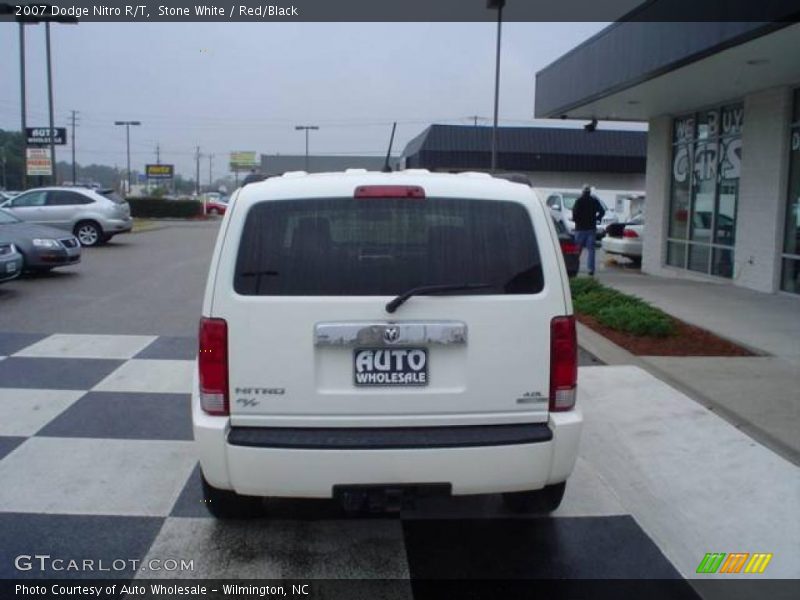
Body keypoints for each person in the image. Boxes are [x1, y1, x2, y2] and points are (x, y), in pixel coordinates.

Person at [571, 184, 606, 276]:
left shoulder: (579, 201)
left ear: (582, 191)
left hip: (580, 229)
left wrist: (576, 221)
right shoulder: (594, 201)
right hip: (591, 228)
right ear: (589, 192)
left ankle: (574, 267)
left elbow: (574, 213)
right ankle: (591, 269)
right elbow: (602, 211)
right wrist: (597, 218)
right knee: (591, 250)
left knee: (577, 250)